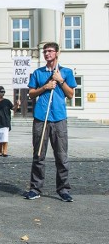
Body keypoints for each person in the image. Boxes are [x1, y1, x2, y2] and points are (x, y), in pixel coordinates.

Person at [25, 42, 76, 202]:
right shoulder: (38, 73)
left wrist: (60, 80)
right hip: (41, 117)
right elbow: (31, 94)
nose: (47, 54)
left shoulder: (66, 72)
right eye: (45, 51)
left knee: (61, 156)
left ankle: (63, 190)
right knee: (38, 155)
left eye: (50, 51)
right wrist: (45, 87)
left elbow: (71, 94)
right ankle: (35, 188)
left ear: (57, 53)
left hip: (59, 117)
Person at [0, 86, 19, 157]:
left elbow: (13, 108)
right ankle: (0, 151)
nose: (3, 93)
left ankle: (5, 151)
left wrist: (17, 104)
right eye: (2, 92)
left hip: (6, 120)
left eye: (4, 92)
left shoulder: (7, 101)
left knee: (5, 136)